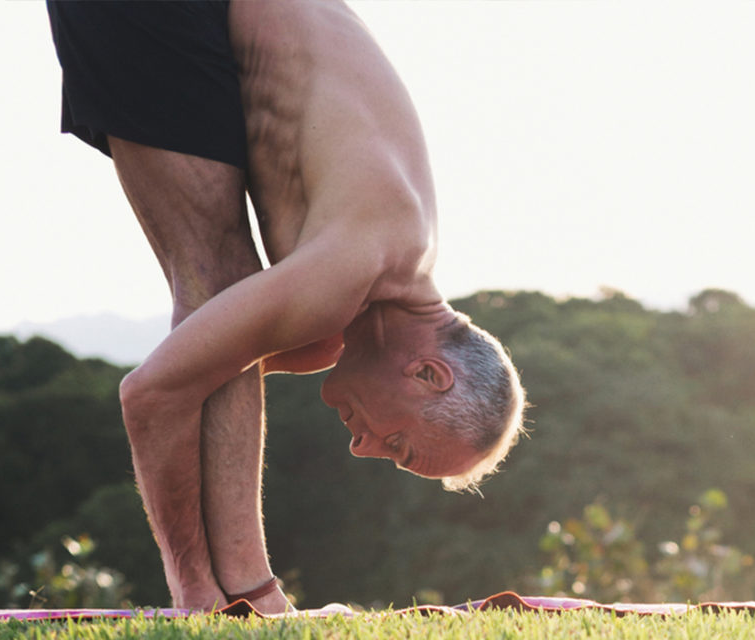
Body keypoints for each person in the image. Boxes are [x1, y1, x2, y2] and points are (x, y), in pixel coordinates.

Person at [45, 0, 525, 613]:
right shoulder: (348, 272)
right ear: (429, 373)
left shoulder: (389, 266)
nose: (363, 449)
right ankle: (217, 595)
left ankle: (244, 590)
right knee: (209, 279)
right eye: (397, 444)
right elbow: (152, 395)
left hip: (210, 21)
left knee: (222, 315)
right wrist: (195, 581)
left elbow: (211, 375)